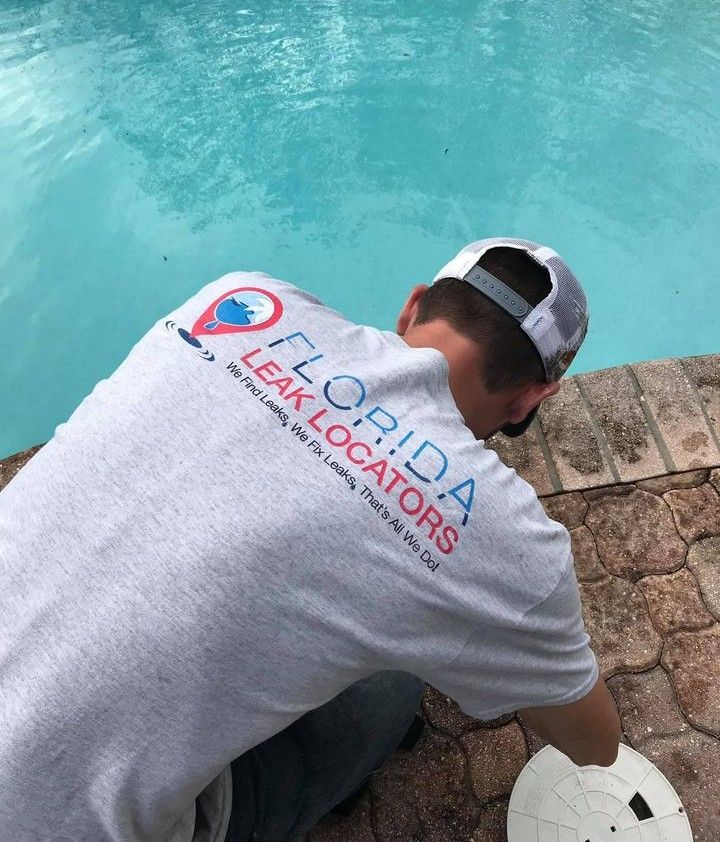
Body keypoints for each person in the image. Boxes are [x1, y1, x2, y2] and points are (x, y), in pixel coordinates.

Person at [0, 237, 620, 842]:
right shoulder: (500, 534)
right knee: (391, 692)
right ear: (529, 402)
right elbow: (596, 745)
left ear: (414, 305)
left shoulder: (241, 298)